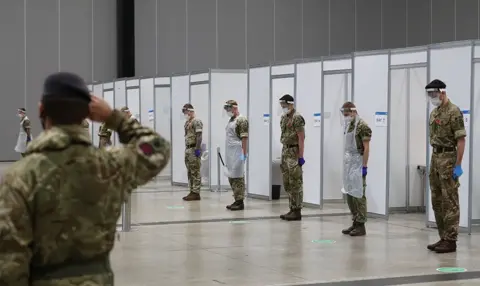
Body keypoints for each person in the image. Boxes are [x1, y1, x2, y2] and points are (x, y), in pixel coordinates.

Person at [0, 71, 171, 285]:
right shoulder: (111, 165)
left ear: (41, 110)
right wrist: (114, 118)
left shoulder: (20, 176)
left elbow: (9, 264)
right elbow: (157, 148)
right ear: (88, 114)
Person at [425, 79, 465, 253]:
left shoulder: (454, 112)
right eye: (429, 94)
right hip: (435, 157)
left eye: (434, 94)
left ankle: (451, 239)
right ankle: (443, 237)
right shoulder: (434, 113)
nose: (432, 97)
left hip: (448, 158)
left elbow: (461, 140)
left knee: (450, 201)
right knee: (437, 200)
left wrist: (458, 164)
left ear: (442, 92)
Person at [340, 102, 372, 237]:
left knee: (359, 195)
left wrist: (364, 166)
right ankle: (354, 220)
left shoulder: (362, 126)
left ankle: (361, 224)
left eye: (347, 114)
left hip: (358, 163)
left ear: (353, 112)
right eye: (344, 115)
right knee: (349, 194)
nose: (345, 117)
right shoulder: (349, 126)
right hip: (349, 164)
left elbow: (366, 148)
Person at [278, 94, 305, 221]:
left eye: (284, 105)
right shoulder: (284, 117)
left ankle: (297, 210)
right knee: (287, 182)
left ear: (291, 104)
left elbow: (301, 137)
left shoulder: (297, 118)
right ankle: (292, 208)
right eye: (282, 105)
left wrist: (301, 156)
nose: (283, 107)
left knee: (296, 182)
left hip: (294, 151)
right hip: (285, 150)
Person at [223, 100, 249, 211]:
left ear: (234, 108)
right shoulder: (231, 120)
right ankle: (236, 199)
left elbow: (244, 138)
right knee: (232, 175)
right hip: (230, 152)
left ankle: (240, 201)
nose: (227, 111)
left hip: (238, 151)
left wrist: (244, 153)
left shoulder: (241, 120)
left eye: (229, 109)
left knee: (238, 176)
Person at [182, 103, 203, 201]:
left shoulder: (196, 121)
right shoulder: (187, 122)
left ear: (190, 111)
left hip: (194, 148)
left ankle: (196, 192)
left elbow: (199, 136)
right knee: (190, 171)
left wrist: (198, 149)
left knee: (195, 171)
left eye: (185, 111)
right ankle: (191, 190)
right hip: (188, 149)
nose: (185, 114)